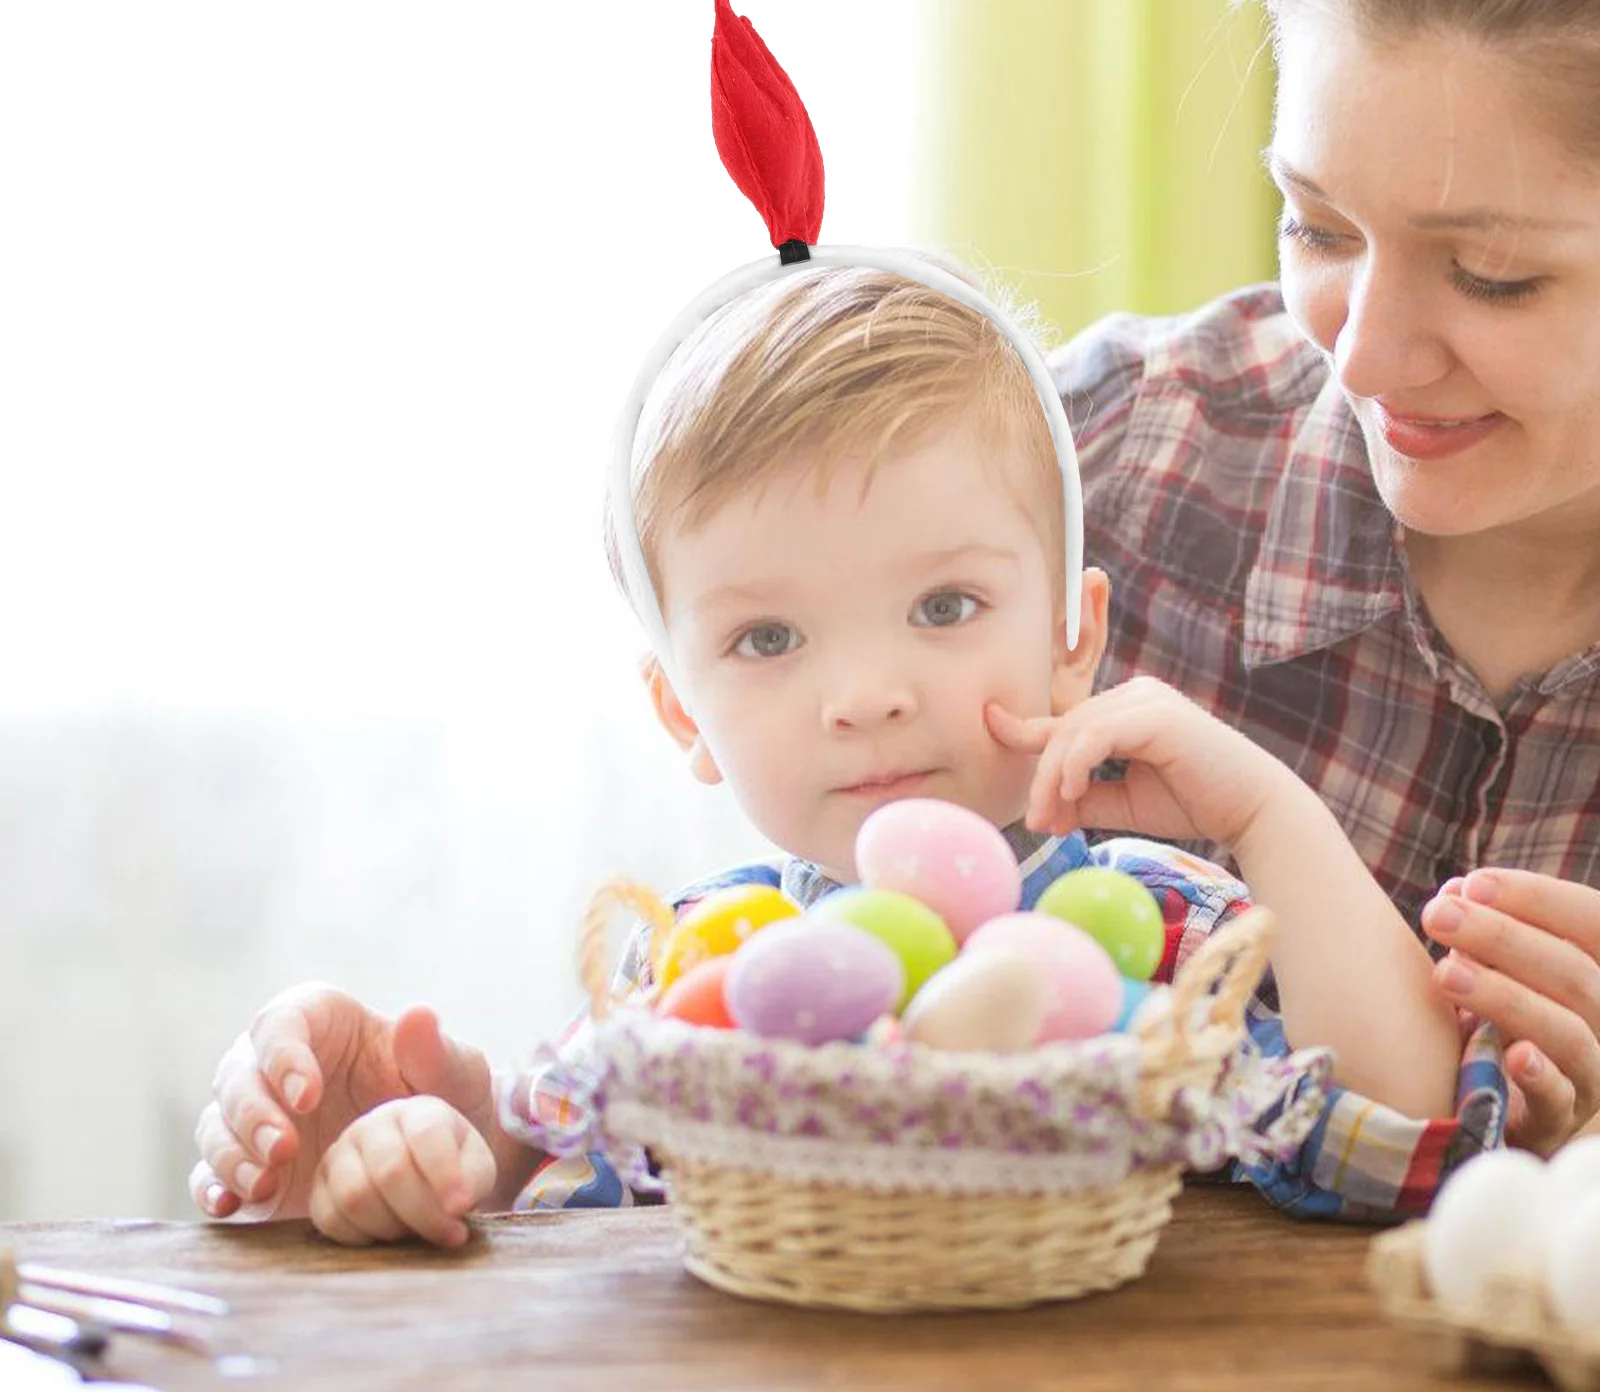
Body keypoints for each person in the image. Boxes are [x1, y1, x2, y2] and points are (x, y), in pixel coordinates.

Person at [189, 262, 1497, 1246]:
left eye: (942, 608)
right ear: (682, 714)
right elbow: (572, 1198)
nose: (866, 696)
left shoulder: (1163, 924)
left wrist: (1264, 812)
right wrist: (443, 1139)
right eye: (768, 638)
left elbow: (1402, 1151)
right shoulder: (705, 959)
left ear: (1070, 636)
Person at [1050, 0, 1600, 1158]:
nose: (1361, 358)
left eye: (1493, 276)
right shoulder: (1097, 469)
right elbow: (776, 977)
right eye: (1317, 225)